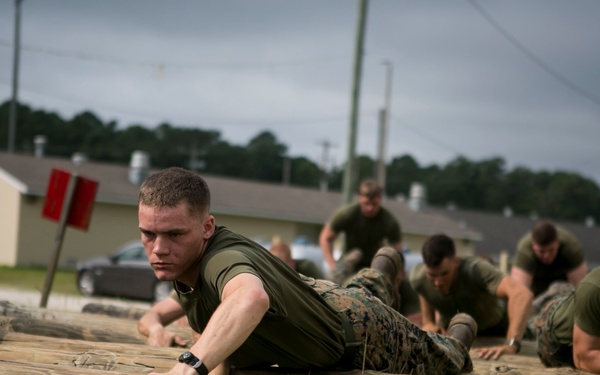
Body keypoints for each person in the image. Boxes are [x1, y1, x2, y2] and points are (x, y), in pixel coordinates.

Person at [137, 167, 476, 375]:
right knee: (360, 294)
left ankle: (458, 335)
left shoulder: (219, 260)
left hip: (362, 337)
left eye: (175, 234)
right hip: (327, 299)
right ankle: (377, 279)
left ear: (207, 227)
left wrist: (186, 367)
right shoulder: (188, 269)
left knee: (441, 359)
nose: (159, 248)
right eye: (148, 234)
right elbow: (216, 354)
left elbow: (250, 297)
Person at [410, 233, 533, 360]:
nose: (438, 283)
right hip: (458, 338)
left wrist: (511, 344)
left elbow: (521, 294)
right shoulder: (418, 279)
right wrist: (428, 322)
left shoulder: (476, 270)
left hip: (498, 331)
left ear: (456, 261)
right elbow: (424, 292)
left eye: (444, 274)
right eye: (432, 276)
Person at [319, 179, 402, 285]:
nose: (370, 208)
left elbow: (397, 251)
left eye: (374, 204)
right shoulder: (347, 214)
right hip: (348, 265)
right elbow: (325, 237)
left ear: (380, 200)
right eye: (366, 203)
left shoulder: (388, 221)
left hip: (373, 267)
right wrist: (332, 264)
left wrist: (395, 275)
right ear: (359, 198)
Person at [534, 266, 600, 373]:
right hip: (554, 338)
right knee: (529, 324)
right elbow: (584, 359)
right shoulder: (594, 288)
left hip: (582, 309)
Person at [511, 220, 588, 298]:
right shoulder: (525, 251)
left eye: (551, 250)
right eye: (541, 251)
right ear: (533, 245)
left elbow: (581, 290)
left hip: (564, 296)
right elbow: (518, 293)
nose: (547, 256)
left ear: (558, 243)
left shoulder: (571, 248)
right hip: (535, 295)